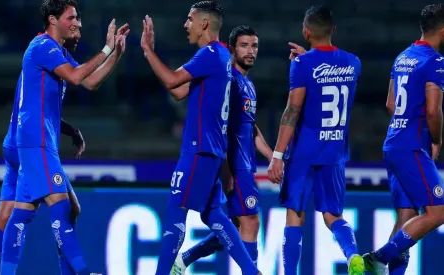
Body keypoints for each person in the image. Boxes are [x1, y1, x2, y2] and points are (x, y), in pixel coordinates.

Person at [0, 1, 129, 274]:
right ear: (53, 20)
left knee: (28, 212)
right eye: (72, 17)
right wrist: (105, 48)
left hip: (42, 142)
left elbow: (91, 81)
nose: (77, 23)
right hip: (36, 142)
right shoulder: (42, 46)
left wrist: (115, 54)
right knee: (61, 206)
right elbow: (77, 77)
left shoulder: (57, 51)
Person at [140, 1, 261, 274]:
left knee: (176, 210)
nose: (186, 25)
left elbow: (172, 81)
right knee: (213, 214)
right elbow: (180, 92)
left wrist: (148, 50)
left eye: (190, 19)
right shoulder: (221, 59)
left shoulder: (210, 53)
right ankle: (253, 272)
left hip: (199, 148)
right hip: (212, 150)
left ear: (204, 23)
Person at [267, 5, 364, 275]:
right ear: (333, 30)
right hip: (334, 152)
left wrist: (277, 155)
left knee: (295, 213)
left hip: (304, 153)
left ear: (306, 31)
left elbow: (293, 110)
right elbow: (327, 75)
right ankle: (352, 254)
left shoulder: (302, 64)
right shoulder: (354, 62)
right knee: (333, 215)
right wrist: (309, 60)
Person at [171, 25, 272, 275]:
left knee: (235, 226)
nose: (250, 51)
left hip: (245, 162)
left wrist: (273, 157)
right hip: (234, 164)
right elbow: (220, 127)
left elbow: (250, 127)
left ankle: (184, 259)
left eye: (254, 46)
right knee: (251, 221)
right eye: (244, 46)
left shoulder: (247, 84)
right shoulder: (227, 81)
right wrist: (226, 167)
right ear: (232, 49)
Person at [363, 4, 444, 275]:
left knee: (408, 217)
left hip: (393, 142)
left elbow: (389, 104)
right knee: (438, 212)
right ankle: (379, 257)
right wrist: (436, 139)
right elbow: (433, 110)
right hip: (412, 146)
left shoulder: (402, 57)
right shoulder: (434, 61)